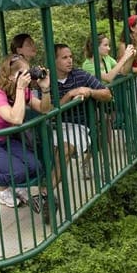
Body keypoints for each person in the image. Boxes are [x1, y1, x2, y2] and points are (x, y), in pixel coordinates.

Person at [0, 53, 53, 208]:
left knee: (36, 166)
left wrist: (45, 88)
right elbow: (15, 119)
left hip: (4, 140)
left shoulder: (21, 92)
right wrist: (21, 88)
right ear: (10, 77)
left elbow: (44, 109)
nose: (27, 77)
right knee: (19, 173)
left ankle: (9, 181)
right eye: (23, 74)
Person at [53, 44, 112, 178]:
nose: (70, 61)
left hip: (78, 126)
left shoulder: (80, 75)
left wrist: (90, 92)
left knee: (64, 150)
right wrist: (69, 95)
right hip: (55, 126)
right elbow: (49, 112)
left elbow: (108, 94)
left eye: (71, 57)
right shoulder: (47, 81)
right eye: (64, 58)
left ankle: (45, 192)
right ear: (54, 60)